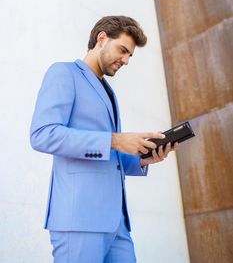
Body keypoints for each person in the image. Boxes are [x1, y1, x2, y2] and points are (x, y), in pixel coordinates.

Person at [30, 15, 178, 263]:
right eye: (123, 50)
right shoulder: (64, 73)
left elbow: (109, 157)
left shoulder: (109, 92)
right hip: (79, 220)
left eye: (130, 55)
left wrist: (143, 159)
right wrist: (115, 140)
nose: (126, 60)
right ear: (102, 39)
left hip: (117, 225)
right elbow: (43, 135)